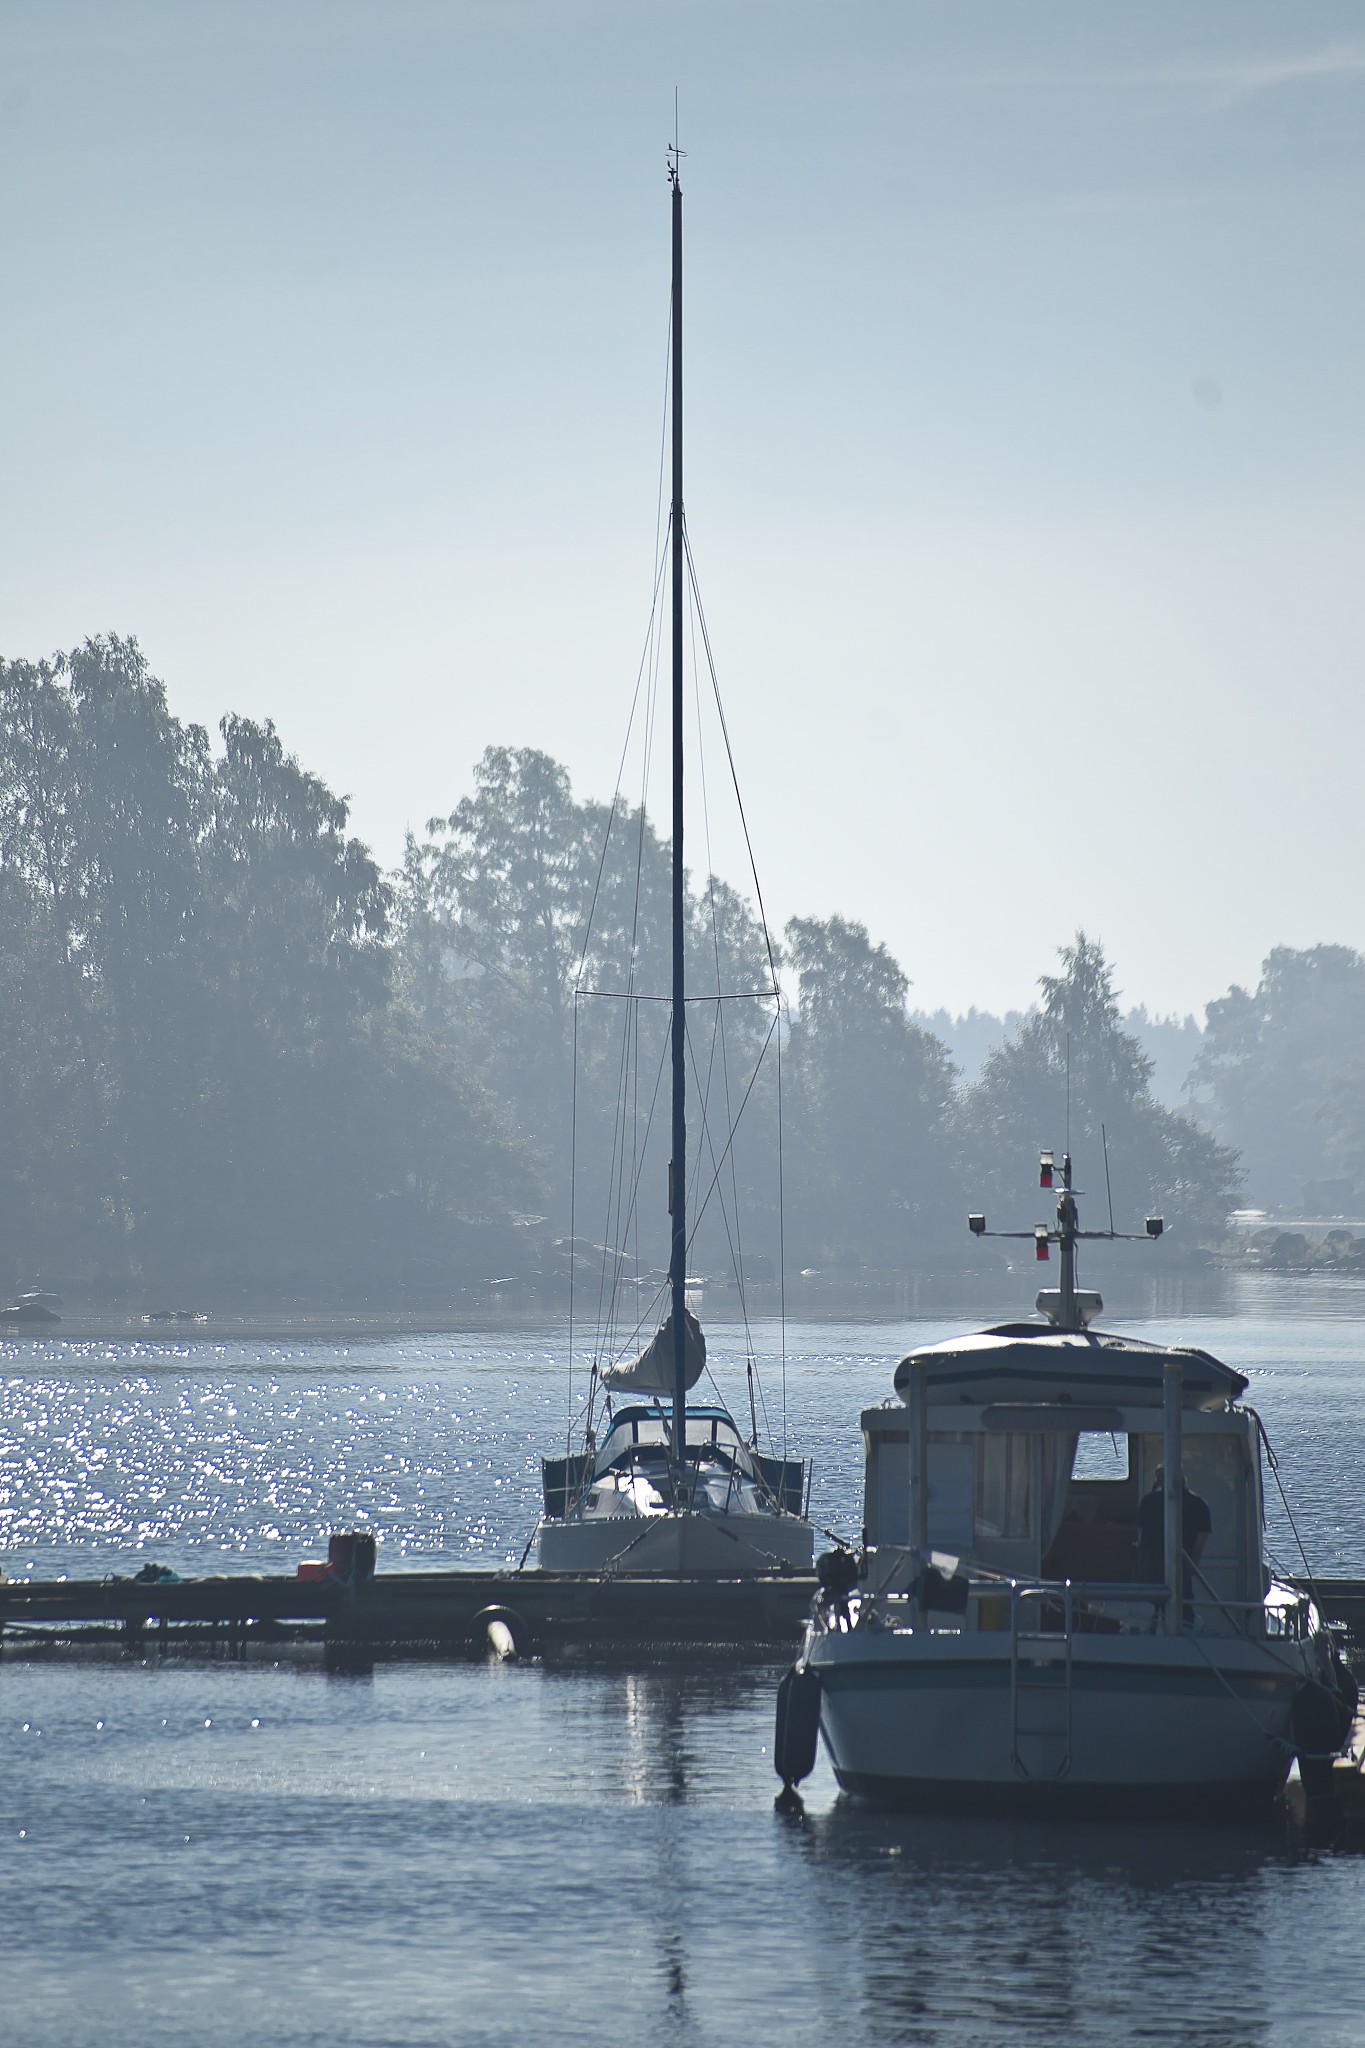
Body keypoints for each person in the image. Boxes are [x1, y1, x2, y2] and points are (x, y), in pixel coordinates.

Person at [1133, 1465, 1212, 1621]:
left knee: (1145, 1613)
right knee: (1183, 1613)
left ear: (1160, 1480)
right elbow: (1199, 1543)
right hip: (1180, 1563)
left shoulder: (1148, 1501)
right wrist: (1191, 1568)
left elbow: (1141, 1536)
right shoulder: (1200, 1504)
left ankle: (1143, 1636)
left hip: (1149, 1564)